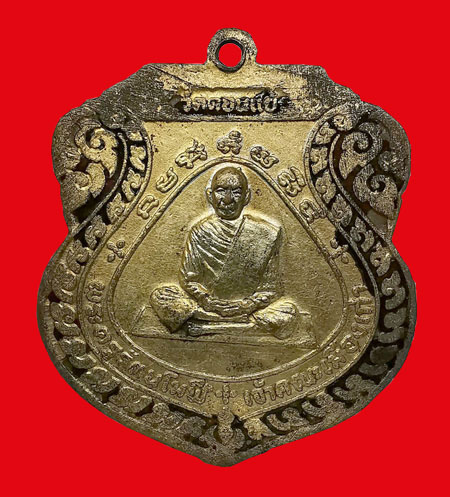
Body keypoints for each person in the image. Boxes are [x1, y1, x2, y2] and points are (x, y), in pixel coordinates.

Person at [150, 165, 301, 339]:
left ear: (247, 197)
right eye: (221, 191)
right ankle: (235, 324)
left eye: (236, 192)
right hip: (207, 306)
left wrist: (248, 305)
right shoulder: (200, 231)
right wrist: (207, 301)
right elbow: (189, 279)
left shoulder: (266, 233)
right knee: (161, 296)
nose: (228, 200)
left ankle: (212, 325)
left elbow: (271, 288)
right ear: (210, 195)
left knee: (288, 311)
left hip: (247, 309)